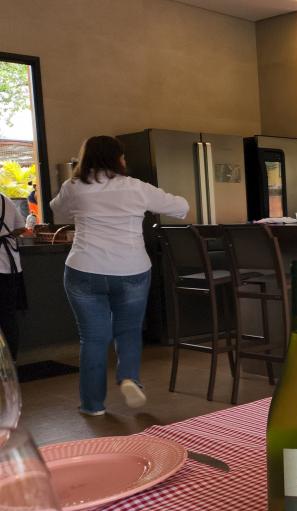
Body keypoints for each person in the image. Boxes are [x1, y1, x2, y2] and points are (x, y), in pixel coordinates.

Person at [51, 136, 189, 416]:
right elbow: (182, 207)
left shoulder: (73, 187)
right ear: (118, 159)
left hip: (84, 269)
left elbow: (56, 213)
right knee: (128, 331)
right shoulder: (136, 187)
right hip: (131, 270)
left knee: (92, 338)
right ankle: (129, 377)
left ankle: (92, 406)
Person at [0, 192, 26, 359]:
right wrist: (6, 234)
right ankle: (11, 363)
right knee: (8, 316)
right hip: (8, 267)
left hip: (6, 265)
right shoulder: (4, 200)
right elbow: (21, 227)